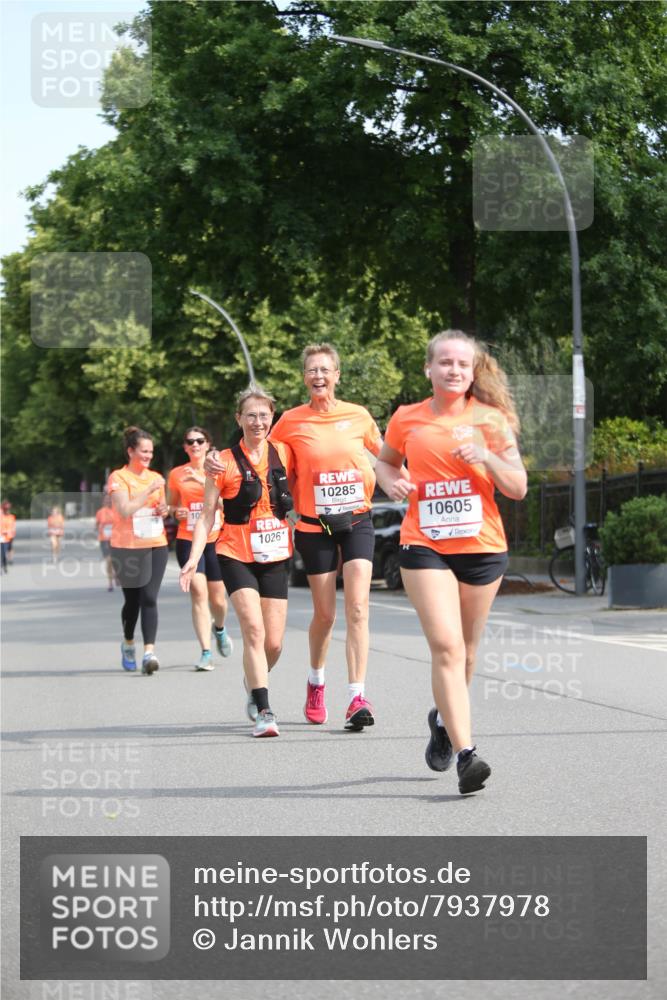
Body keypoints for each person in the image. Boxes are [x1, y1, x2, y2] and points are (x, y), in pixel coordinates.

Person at [375, 330, 527, 794]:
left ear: (473, 370)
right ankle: (467, 755)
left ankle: (441, 719)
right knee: (447, 647)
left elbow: (517, 487)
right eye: (444, 362)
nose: (453, 370)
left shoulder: (491, 420)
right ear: (429, 368)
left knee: (468, 651)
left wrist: (484, 455)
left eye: (462, 364)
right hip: (425, 545)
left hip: (481, 547)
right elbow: (384, 463)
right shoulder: (407, 418)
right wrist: (391, 482)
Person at [268, 343, 382, 731]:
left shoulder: (359, 416)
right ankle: (316, 682)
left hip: (357, 520)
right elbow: (270, 466)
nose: (319, 376)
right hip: (314, 526)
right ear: (304, 378)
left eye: (325, 370)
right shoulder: (290, 422)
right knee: (326, 614)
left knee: (358, 607)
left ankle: (356, 696)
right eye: (312, 370)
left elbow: (386, 459)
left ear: (337, 375)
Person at [181, 387, 293, 738]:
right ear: (238, 419)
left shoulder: (286, 452)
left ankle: (252, 681)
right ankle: (264, 709)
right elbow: (206, 515)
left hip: (276, 554)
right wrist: (193, 559)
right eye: (251, 415)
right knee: (254, 632)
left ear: (272, 417)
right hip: (234, 553)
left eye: (264, 415)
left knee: (274, 644)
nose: (258, 421)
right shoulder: (223, 462)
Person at [168, 426, 232, 671]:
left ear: (208, 444)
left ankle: (220, 629)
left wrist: (202, 482)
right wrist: (177, 512)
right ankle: (205, 652)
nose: (195, 445)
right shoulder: (176, 475)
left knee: (218, 597)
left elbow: (230, 502)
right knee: (198, 592)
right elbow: (171, 506)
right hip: (188, 538)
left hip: (216, 537)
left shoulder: (218, 469)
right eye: (190, 442)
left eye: (199, 441)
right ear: (185, 447)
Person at [108, 426, 169, 676]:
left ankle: (149, 653)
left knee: (150, 598)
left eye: (151, 452)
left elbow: (161, 507)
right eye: (144, 451)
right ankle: (128, 642)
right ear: (130, 451)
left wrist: (163, 509)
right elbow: (124, 510)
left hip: (155, 543)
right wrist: (149, 490)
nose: (148, 456)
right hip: (126, 547)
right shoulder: (118, 478)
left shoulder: (155, 477)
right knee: (132, 602)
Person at [95, 494, 116, 591]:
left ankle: (116, 574)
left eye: (110, 500)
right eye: (106, 500)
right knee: (109, 560)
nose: (108, 501)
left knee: (116, 560)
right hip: (104, 539)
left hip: (116, 539)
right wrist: (99, 529)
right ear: (103, 501)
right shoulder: (100, 512)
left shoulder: (116, 511)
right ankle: (110, 582)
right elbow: (97, 525)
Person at [1, 501, 16, 573]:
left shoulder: (11, 517)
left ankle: (5, 564)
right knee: (2, 552)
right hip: (1, 536)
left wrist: (10, 533)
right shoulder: (1, 517)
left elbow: (13, 527)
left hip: (7, 537)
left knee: (6, 551)